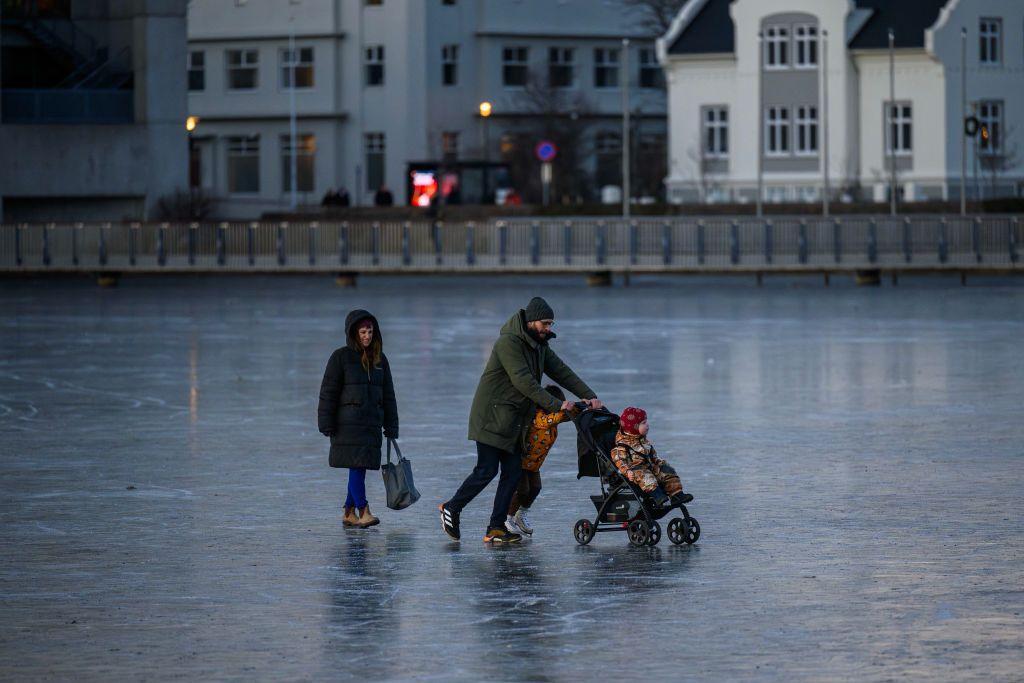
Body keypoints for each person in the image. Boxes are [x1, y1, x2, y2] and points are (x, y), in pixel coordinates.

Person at [439, 297, 602, 544]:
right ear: (531, 321)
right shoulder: (508, 343)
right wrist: (558, 404)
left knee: (513, 473)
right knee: (486, 470)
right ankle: (452, 507)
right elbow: (523, 381)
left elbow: (561, 371)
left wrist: (589, 395)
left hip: (516, 421)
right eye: (545, 323)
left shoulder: (539, 346)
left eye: (550, 323)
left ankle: (495, 528)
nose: (549, 328)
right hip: (492, 418)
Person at [317, 309, 399, 528]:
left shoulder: (381, 360)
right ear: (354, 333)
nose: (367, 336)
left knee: (359, 467)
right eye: (362, 332)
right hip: (348, 425)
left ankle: (348, 512)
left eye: (370, 331)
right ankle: (363, 510)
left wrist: (391, 426)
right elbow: (328, 392)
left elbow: (388, 395)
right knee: (356, 466)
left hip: (371, 423)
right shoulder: (340, 357)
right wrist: (326, 423)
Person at [505, 385, 578, 537]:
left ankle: (521, 514)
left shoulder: (555, 417)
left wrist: (582, 406)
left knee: (536, 487)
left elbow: (567, 416)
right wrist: (565, 408)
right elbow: (549, 420)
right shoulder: (538, 416)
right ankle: (507, 518)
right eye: (557, 404)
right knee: (522, 489)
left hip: (534, 463)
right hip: (521, 460)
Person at [610, 407, 693, 508]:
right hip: (635, 472)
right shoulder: (622, 446)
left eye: (646, 422)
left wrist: (660, 463)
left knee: (667, 470)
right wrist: (627, 471)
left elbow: (653, 455)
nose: (647, 425)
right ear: (634, 427)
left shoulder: (643, 441)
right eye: (643, 423)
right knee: (646, 476)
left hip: (649, 467)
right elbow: (619, 461)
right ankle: (657, 496)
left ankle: (676, 495)